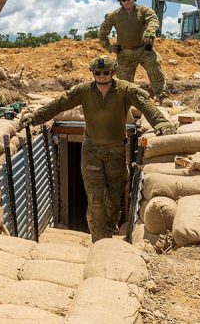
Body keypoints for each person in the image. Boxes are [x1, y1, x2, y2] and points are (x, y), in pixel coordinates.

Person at [20, 55, 175, 242]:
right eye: (98, 73)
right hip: (91, 151)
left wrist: (160, 122)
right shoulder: (84, 91)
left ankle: (110, 232)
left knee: (114, 197)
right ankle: (98, 239)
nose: (102, 76)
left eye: (106, 73)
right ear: (93, 73)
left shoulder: (126, 90)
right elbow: (59, 103)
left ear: (114, 72)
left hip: (116, 151)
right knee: (95, 199)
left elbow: (145, 104)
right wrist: (35, 117)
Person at [98, 0, 171, 104]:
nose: (126, 1)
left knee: (155, 69)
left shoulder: (144, 11)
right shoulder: (114, 16)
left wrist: (150, 33)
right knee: (124, 82)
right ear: (120, 1)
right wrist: (111, 47)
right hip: (125, 53)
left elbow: (153, 20)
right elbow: (102, 34)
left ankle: (162, 97)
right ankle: (127, 102)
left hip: (144, 50)